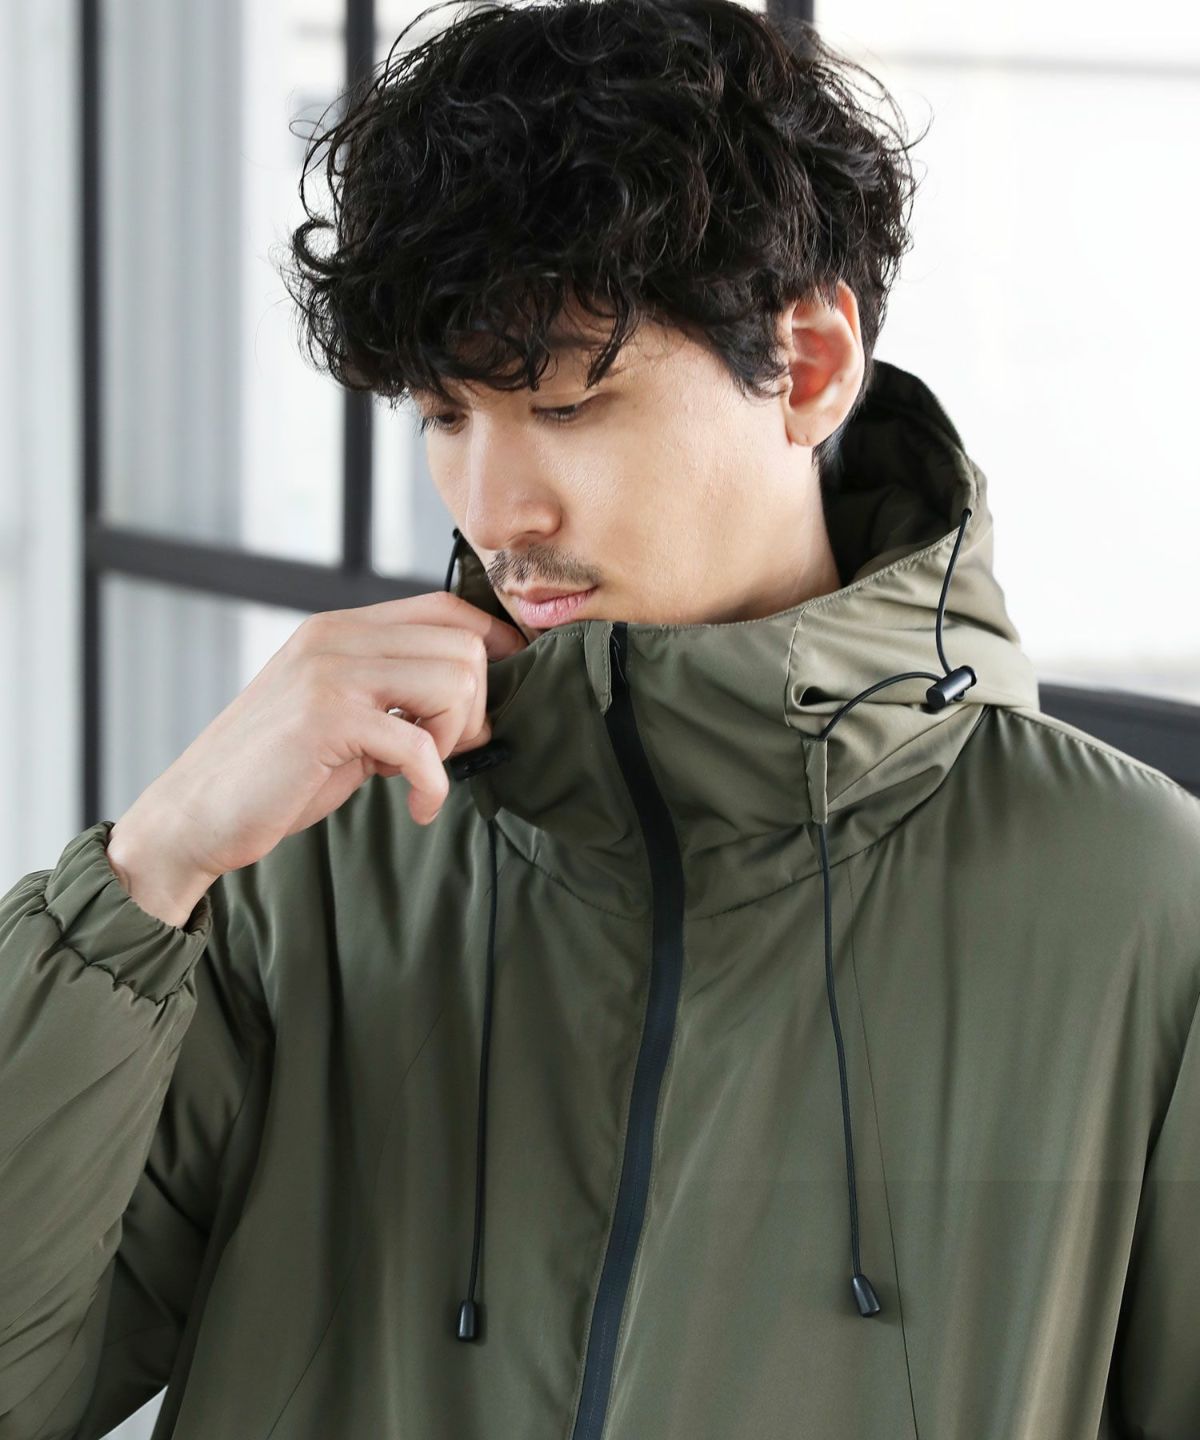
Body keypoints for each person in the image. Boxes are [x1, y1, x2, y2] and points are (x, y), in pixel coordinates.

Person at [2, 0, 1197, 1436]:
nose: (495, 510)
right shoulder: (314, 857)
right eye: (446, 417)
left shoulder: (1143, 907)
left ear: (810, 365)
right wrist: (145, 875)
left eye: (570, 405)